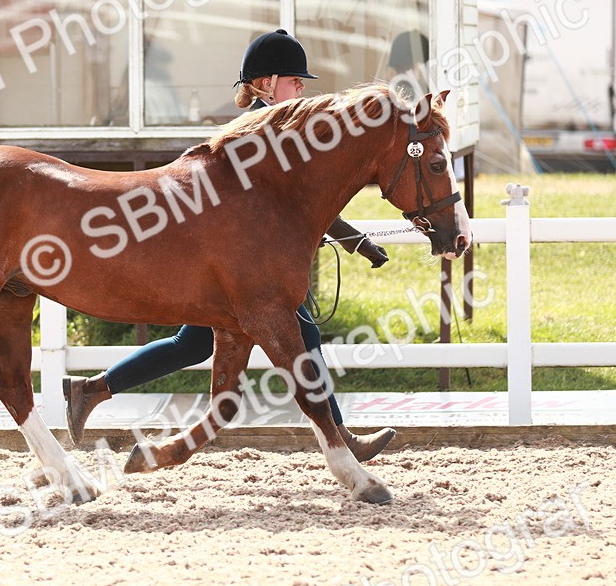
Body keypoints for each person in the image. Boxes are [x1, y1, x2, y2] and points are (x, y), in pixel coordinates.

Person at [64, 29, 397, 461]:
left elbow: (313, 204)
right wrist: (356, 243)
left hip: (244, 265)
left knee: (194, 345)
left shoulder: (280, 131)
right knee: (305, 336)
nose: (302, 88)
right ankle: (342, 439)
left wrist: (359, 242)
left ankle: (91, 389)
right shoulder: (261, 132)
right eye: (295, 81)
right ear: (265, 83)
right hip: (248, 266)